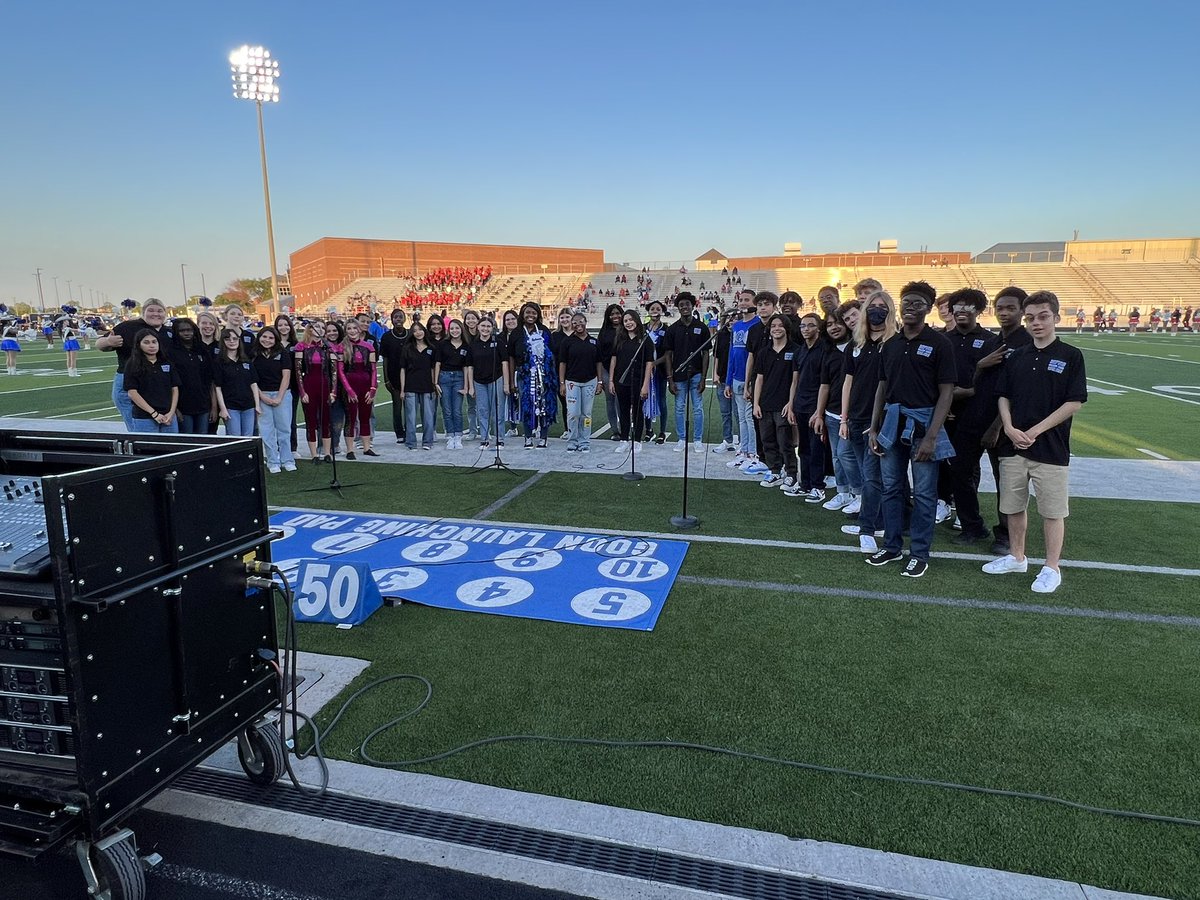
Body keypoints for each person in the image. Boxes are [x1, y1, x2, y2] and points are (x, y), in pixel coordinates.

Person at [983, 291, 1087, 593]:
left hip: (1050, 447)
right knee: (1013, 507)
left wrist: (1036, 431)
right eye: (1031, 318)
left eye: (1043, 316)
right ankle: (1017, 556)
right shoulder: (1017, 357)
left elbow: (1074, 402)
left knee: (1053, 511)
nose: (1036, 323)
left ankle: (1052, 566)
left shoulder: (1070, 355)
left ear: (1056, 317)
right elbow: (1003, 395)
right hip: (1012, 445)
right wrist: (1010, 427)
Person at [866, 281, 957, 579]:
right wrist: (874, 428)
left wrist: (932, 435)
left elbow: (946, 392)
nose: (910, 307)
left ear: (928, 308)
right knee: (891, 487)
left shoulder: (941, 343)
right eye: (906, 302)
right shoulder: (890, 344)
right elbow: (882, 387)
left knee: (925, 494)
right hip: (891, 423)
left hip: (923, 425)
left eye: (918, 303)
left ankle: (919, 552)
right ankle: (891, 546)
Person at [942, 288, 1003, 545]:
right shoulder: (943, 340)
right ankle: (971, 525)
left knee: (1003, 477)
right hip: (953, 416)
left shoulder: (991, 341)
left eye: (968, 306)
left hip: (987, 417)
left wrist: (966, 392)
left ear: (979, 310)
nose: (961, 311)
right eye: (957, 306)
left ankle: (1006, 533)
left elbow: (998, 384)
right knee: (959, 471)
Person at [839, 290, 896, 553]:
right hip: (857, 416)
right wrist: (844, 417)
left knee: (876, 477)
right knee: (868, 475)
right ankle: (878, 521)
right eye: (872, 306)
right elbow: (848, 383)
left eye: (882, 306)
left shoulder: (895, 342)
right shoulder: (856, 344)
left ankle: (868, 527)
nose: (876, 310)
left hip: (884, 420)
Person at [97, 298, 170, 430]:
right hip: (130, 383)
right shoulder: (128, 327)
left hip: (159, 384)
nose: (156, 314)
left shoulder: (168, 331)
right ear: (143, 312)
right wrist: (108, 342)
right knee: (138, 428)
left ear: (165, 313)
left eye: (160, 311)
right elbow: (100, 344)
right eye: (151, 310)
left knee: (164, 431)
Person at [814, 309, 858, 511]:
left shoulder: (858, 348)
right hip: (832, 413)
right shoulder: (828, 353)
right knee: (836, 456)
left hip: (853, 414)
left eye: (838, 322)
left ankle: (858, 492)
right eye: (830, 324)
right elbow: (824, 385)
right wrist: (819, 412)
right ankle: (843, 492)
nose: (834, 327)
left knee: (846, 454)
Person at [752, 314, 800, 490]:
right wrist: (756, 403)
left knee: (785, 441)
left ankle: (791, 473)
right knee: (767, 439)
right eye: (773, 326)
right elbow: (759, 379)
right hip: (765, 404)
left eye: (780, 325)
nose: (776, 329)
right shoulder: (764, 352)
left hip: (783, 405)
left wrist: (790, 402)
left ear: (786, 328)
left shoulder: (795, 350)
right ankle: (774, 470)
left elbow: (795, 381)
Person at [792, 313, 830, 501]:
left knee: (816, 449)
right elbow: (795, 381)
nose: (806, 329)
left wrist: (819, 411)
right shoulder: (800, 351)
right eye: (803, 326)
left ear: (818, 328)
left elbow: (825, 383)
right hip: (800, 404)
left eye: (810, 326)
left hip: (816, 406)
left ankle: (818, 486)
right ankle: (805, 484)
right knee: (804, 448)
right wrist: (791, 405)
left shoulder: (824, 349)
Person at [740, 291, 779, 476]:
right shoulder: (753, 330)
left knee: (777, 424)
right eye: (760, 304)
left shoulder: (780, 326)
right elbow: (751, 357)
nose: (763, 307)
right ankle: (763, 460)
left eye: (767, 304)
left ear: (773, 306)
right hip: (757, 380)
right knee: (759, 422)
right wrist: (747, 383)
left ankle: (779, 464)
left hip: (777, 381)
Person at [510, 302, 558, 449]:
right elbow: (511, 357)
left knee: (545, 404)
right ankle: (528, 437)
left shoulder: (544, 331)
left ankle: (543, 437)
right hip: (524, 375)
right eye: (527, 313)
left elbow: (551, 354)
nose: (531, 315)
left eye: (534, 313)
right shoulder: (516, 332)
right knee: (527, 405)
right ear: (522, 314)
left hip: (544, 375)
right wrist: (512, 381)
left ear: (538, 315)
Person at [665, 292, 708, 452]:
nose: (684, 307)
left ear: (693, 305)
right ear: (678, 308)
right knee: (679, 407)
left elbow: (705, 354)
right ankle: (681, 439)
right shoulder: (673, 329)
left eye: (687, 304)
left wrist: (703, 377)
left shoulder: (701, 327)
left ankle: (697, 440)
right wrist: (670, 379)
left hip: (696, 375)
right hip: (678, 376)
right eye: (681, 305)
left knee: (697, 407)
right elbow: (668, 355)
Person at [724, 290, 760, 469]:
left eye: (747, 300)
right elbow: (732, 353)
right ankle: (743, 450)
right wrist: (728, 381)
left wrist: (750, 382)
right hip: (736, 378)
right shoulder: (736, 326)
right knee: (741, 418)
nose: (743, 303)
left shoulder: (758, 324)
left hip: (751, 380)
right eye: (741, 300)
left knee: (749, 417)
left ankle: (753, 453)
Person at [558, 312, 603, 453]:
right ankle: (572, 440)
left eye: (580, 321)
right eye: (575, 323)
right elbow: (562, 363)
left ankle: (584, 441)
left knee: (586, 414)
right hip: (572, 382)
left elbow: (599, 363)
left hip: (590, 381)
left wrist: (600, 381)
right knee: (573, 413)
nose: (578, 325)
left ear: (585, 322)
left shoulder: (594, 342)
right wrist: (562, 383)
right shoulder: (567, 342)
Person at [253, 326, 296, 472]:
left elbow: (286, 376)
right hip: (262, 395)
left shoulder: (282, 353)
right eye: (264, 337)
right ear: (259, 337)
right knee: (267, 431)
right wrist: (262, 396)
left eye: (271, 338)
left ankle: (287, 459)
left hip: (282, 395)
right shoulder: (254, 355)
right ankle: (272, 461)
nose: (267, 340)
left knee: (284, 429)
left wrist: (279, 396)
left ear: (275, 339)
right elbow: (252, 380)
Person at [609, 310, 654, 449]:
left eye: (630, 319)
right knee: (623, 411)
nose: (628, 323)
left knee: (637, 411)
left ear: (636, 320)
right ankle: (624, 440)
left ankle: (637, 441)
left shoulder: (645, 339)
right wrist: (611, 380)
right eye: (625, 321)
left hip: (638, 380)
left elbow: (649, 363)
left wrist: (645, 384)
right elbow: (614, 359)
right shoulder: (620, 339)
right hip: (621, 380)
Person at [123, 329, 180, 434]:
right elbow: (132, 393)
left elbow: (175, 389)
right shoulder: (132, 364)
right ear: (138, 344)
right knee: (148, 449)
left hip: (168, 417)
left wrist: (171, 412)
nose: (151, 345)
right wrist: (154, 414)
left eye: (154, 342)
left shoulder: (166, 362)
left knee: (171, 448)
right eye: (146, 342)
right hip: (145, 418)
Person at [294, 321, 335, 463]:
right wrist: (302, 392)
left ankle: (327, 453)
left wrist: (333, 392)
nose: (320, 329)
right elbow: (298, 371)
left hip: (325, 386)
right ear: (310, 329)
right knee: (311, 421)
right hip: (309, 386)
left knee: (326, 420)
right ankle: (314, 454)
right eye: (317, 327)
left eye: (323, 328)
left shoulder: (328, 347)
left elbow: (334, 372)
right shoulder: (301, 347)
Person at [338, 318, 378, 459]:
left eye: (355, 328)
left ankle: (367, 448)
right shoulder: (341, 347)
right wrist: (348, 390)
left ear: (359, 329)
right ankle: (350, 450)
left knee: (365, 417)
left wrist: (373, 388)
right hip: (350, 388)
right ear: (346, 331)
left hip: (366, 387)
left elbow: (373, 369)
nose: (352, 331)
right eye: (349, 328)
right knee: (351, 418)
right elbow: (340, 371)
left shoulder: (369, 347)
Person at [467, 315, 508, 449]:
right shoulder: (473, 344)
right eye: (483, 326)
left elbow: (504, 363)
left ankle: (499, 438)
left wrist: (506, 383)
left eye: (488, 326)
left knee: (497, 411)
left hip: (496, 380)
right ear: (478, 327)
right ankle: (484, 438)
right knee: (482, 411)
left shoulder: (499, 342)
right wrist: (471, 386)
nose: (485, 329)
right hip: (479, 382)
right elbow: (470, 366)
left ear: (492, 328)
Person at [214, 327, 260, 437]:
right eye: (228, 339)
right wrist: (223, 409)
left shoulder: (246, 361)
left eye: (235, 339)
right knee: (235, 438)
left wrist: (257, 405)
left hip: (248, 406)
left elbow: (253, 384)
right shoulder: (219, 362)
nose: (232, 341)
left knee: (248, 438)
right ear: (223, 342)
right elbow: (218, 388)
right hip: (231, 407)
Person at [171, 318, 214, 435]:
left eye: (189, 330)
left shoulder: (202, 350)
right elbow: (170, 384)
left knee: (203, 438)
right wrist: (175, 409)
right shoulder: (171, 353)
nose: (186, 333)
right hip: (183, 406)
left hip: (203, 404)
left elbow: (210, 381)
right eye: (182, 330)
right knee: (188, 438)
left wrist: (213, 407)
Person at [399, 321, 438, 451]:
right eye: (415, 330)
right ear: (412, 333)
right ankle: (411, 442)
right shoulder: (407, 348)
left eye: (420, 329)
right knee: (410, 417)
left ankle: (427, 441)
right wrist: (403, 389)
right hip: (411, 386)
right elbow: (403, 370)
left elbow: (433, 368)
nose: (418, 332)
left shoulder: (431, 348)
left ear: (424, 331)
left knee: (428, 416)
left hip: (427, 386)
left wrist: (434, 384)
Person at [433, 319, 470, 449]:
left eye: (457, 328)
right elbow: (437, 363)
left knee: (457, 410)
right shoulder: (443, 344)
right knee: (447, 410)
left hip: (459, 378)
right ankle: (450, 436)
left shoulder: (466, 345)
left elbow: (466, 367)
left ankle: (458, 436)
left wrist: (466, 386)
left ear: (461, 329)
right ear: (449, 330)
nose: (455, 331)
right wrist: (436, 381)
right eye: (452, 328)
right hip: (444, 377)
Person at [379, 309, 409, 444]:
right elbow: (385, 359)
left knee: (410, 407)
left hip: (410, 376)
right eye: (395, 317)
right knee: (397, 406)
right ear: (392, 319)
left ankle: (409, 431)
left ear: (404, 319)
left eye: (400, 317)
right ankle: (399, 433)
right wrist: (386, 379)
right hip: (393, 375)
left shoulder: (410, 335)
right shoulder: (386, 337)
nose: (398, 319)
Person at [596, 304, 624, 440]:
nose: (615, 316)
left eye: (617, 313)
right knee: (610, 400)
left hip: (623, 370)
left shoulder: (626, 330)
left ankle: (624, 428)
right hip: (607, 370)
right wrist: (600, 379)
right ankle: (615, 430)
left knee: (621, 401)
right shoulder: (604, 332)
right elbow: (599, 356)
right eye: (612, 314)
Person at [643, 301, 669, 443]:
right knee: (646, 399)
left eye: (658, 309)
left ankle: (662, 431)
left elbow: (668, 353)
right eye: (652, 308)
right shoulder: (642, 329)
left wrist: (654, 363)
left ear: (662, 311)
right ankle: (648, 430)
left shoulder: (666, 329)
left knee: (661, 400)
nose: (655, 311)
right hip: (645, 372)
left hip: (660, 371)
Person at [711, 310, 736, 452]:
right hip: (722, 379)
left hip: (737, 380)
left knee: (740, 415)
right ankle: (728, 440)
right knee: (725, 412)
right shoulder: (721, 335)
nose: (731, 321)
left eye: (734, 318)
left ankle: (743, 444)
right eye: (729, 318)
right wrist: (715, 374)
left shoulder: (743, 334)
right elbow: (716, 356)